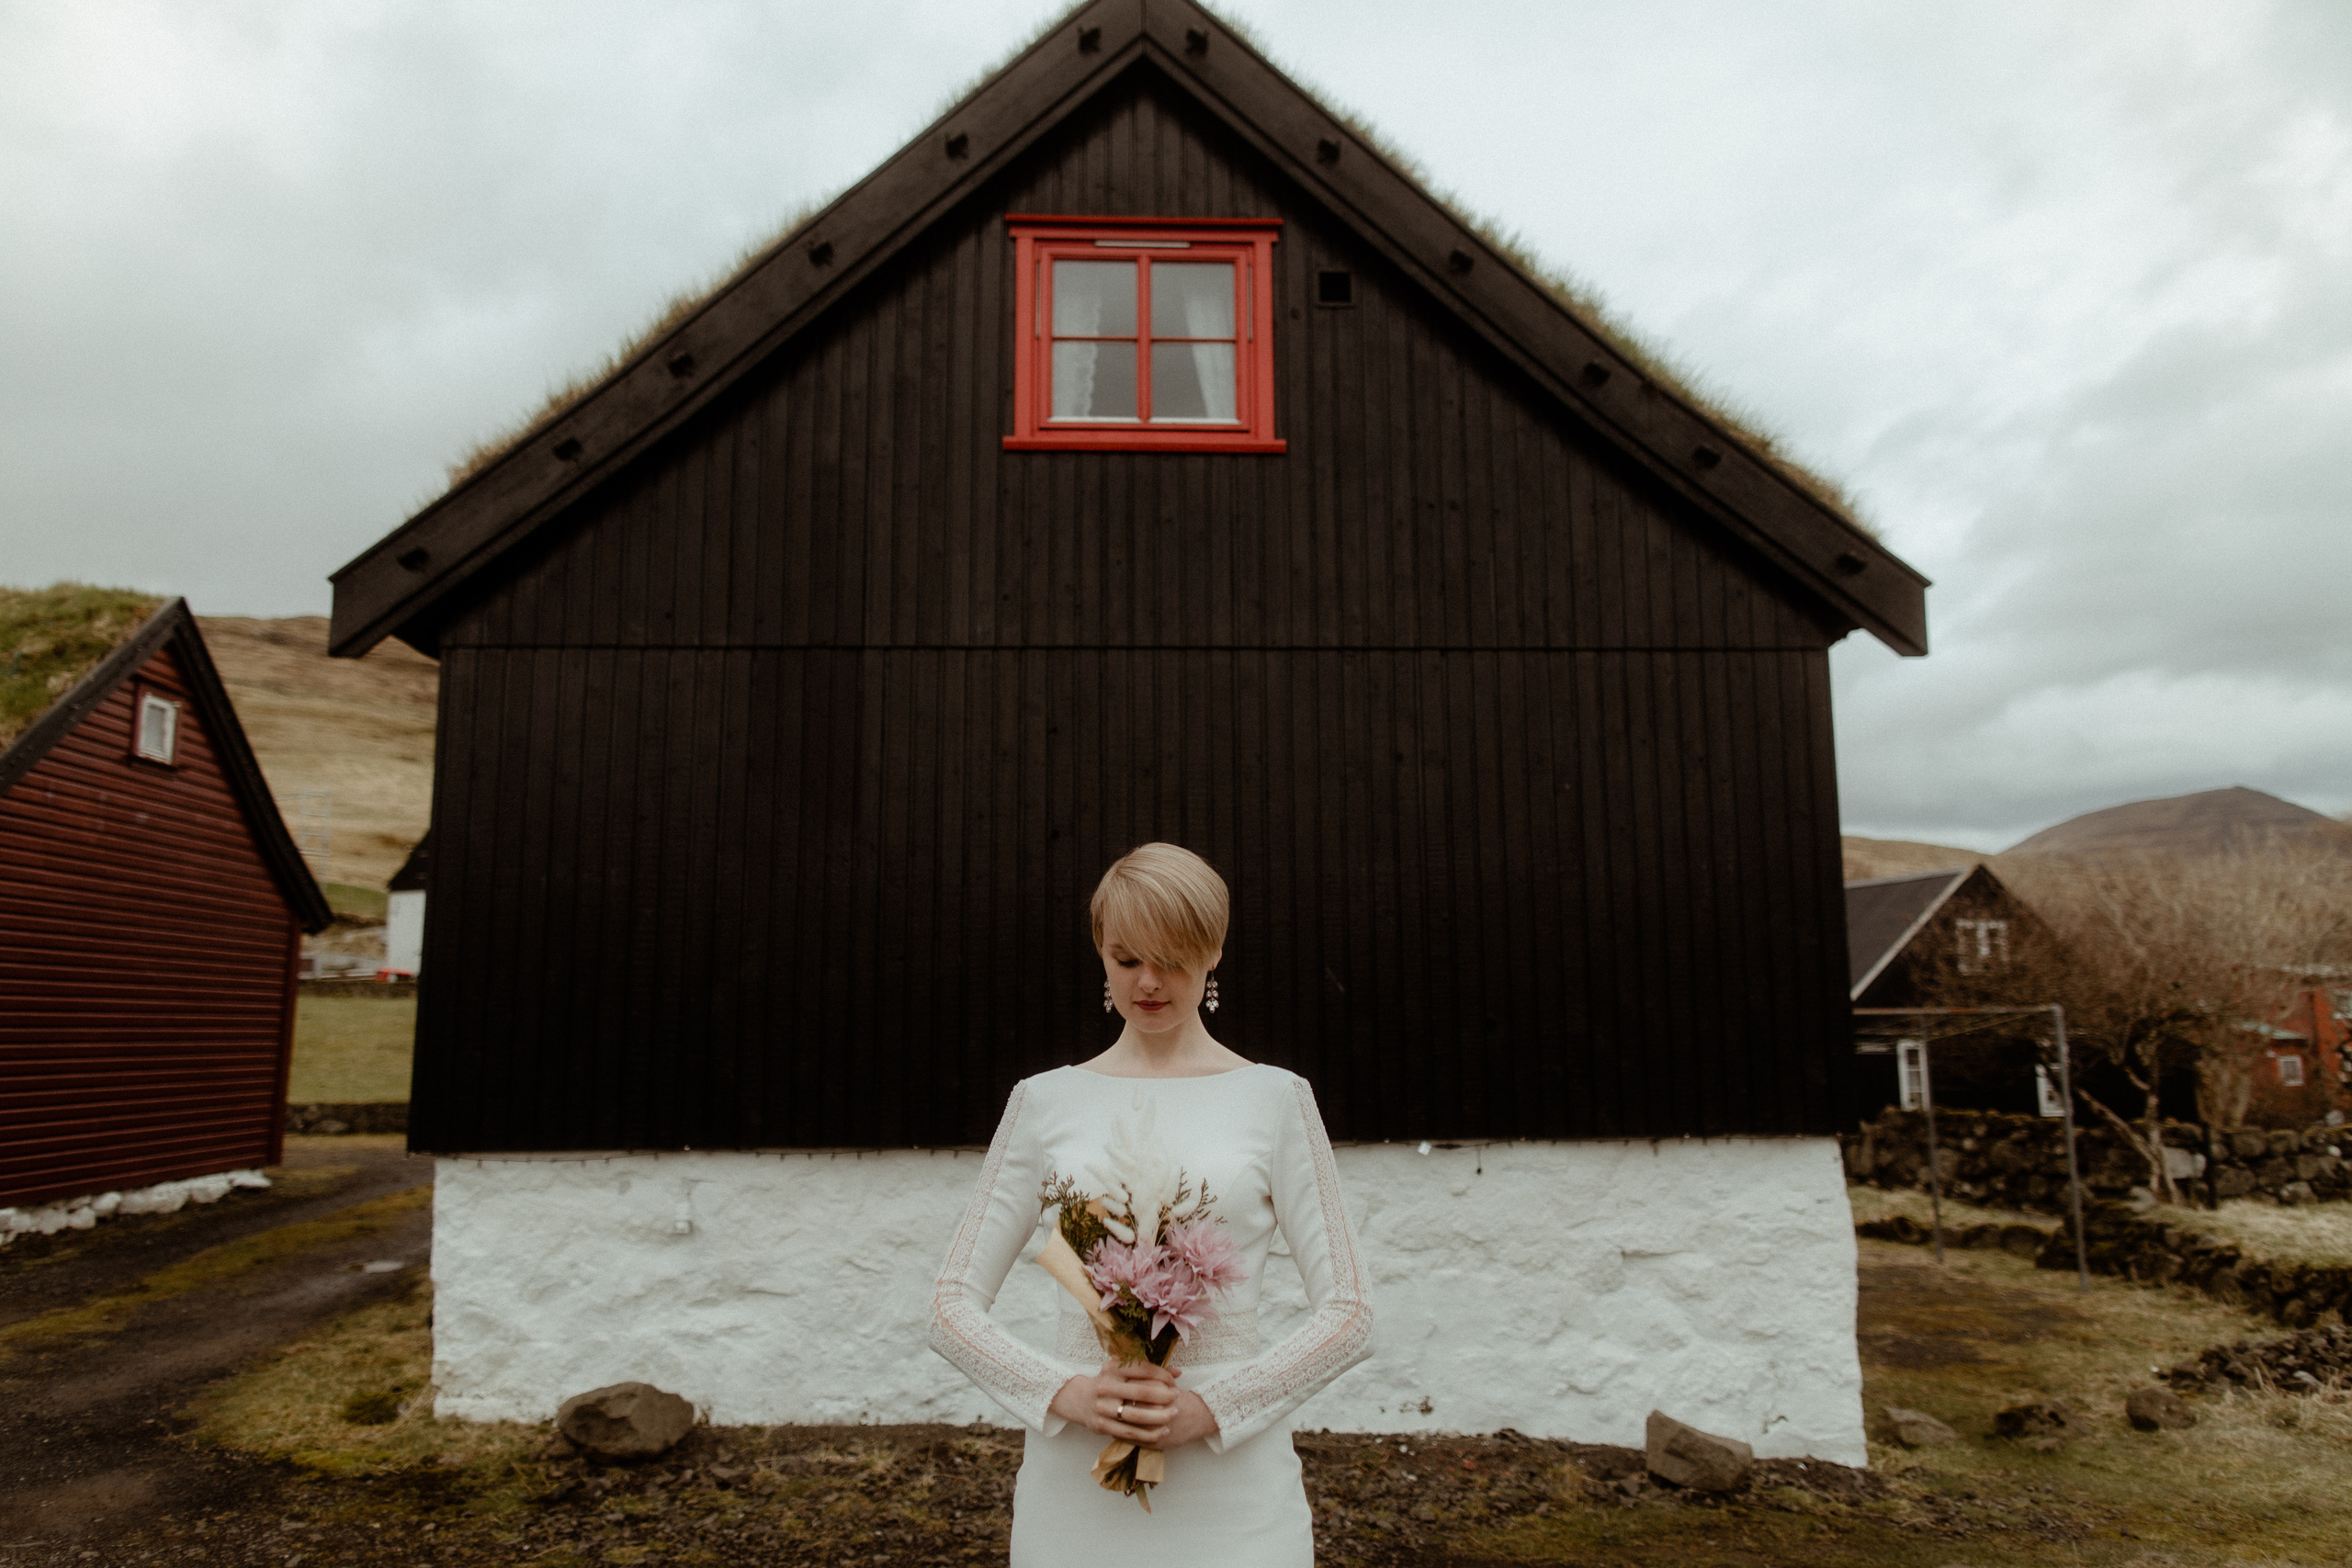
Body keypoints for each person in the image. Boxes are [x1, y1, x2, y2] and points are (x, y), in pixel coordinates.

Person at [928, 842, 1374, 1567]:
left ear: (1215, 950)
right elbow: (950, 1304)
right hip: (1074, 1489)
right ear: (1100, 955)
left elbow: (1351, 1310)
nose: (1150, 980)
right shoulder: (1043, 1102)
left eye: (1173, 956)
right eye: (1126, 957)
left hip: (1236, 1492)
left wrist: (1213, 1409)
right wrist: (1066, 1393)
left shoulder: (1278, 1100)